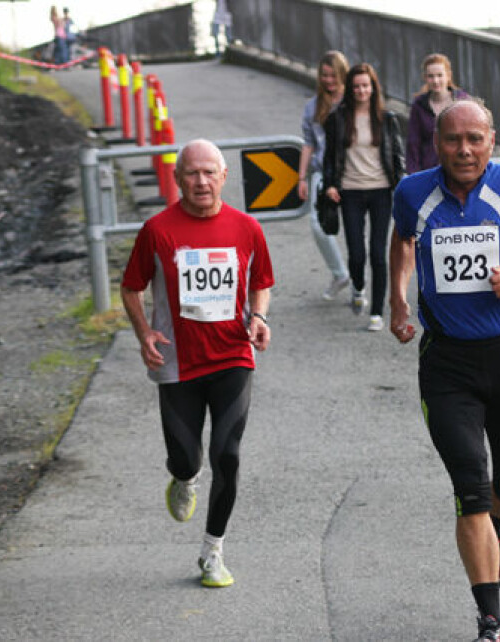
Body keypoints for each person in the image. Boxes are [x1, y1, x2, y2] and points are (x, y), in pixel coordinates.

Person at [389, 98, 500, 641]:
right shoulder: (412, 192)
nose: (463, 150)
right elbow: (400, 240)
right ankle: (492, 622)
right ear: (436, 144)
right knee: (470, 482)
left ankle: (494, 529)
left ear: (492, 139)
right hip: (446, 362)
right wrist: (398, 300)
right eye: (452, 140)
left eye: (474, 139)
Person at [120, 139, 275, 589]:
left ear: (224, 177)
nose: (202, 181)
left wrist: (259, 315)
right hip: (177, 363)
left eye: (210, 172)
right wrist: (143, 333)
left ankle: (212, 552)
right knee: (186, 458)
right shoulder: (157, 229)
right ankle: (183, 476)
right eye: (192, 173)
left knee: (227, 454)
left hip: (232, 355)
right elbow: (130, 287)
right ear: (178, 178)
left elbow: (261, 279)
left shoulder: (247, 228)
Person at [322, 62, 404, 332]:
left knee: (378, 254)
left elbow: (396, 156)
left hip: (381, 191)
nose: (361, 90)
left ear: (373, 87)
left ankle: (377, 312)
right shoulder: (337, 118)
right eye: (356, 86)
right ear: (350, 88)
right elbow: (330, 157)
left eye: (365, 85)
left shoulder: (387, 118)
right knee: (357, 254)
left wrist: (400, 184)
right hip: (350, 191)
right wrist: (330, 185)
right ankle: (358, 288)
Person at [297, 50, 351, 302]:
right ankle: (340, 273)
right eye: (324, 76)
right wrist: (301, 178)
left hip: (352, 171)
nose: (328, 80)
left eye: (333, 75)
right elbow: (308, 143)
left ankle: (359, 286)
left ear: (342, 75)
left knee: (354, 227)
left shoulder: (353, 101)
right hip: (321, 171)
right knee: (318, 226)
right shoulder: (313, 106)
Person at [406, 53, 469, 174]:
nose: (435, 81)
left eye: (440, 75)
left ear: (448, 76)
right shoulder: (419, 105)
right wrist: (414, 176)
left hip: (459, 169)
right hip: (429, 171)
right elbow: (413, 144)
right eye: (431, 76)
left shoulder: (463, 101)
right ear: (425, 78)